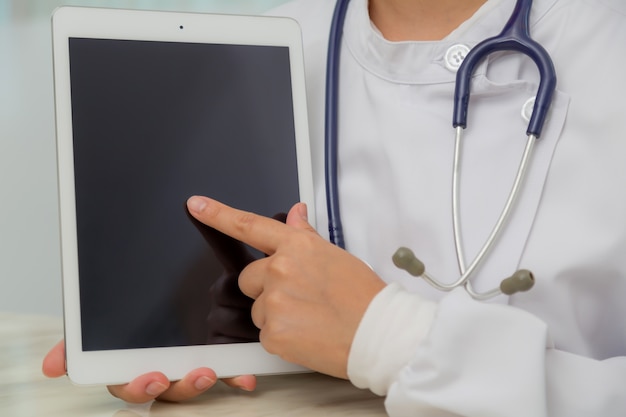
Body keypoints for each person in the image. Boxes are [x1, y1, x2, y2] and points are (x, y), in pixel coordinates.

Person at [43, 0, 626, 415]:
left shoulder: (607, 42)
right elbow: (223, 286)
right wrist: (184, 348)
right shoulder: (266, 44)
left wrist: (388, 339)